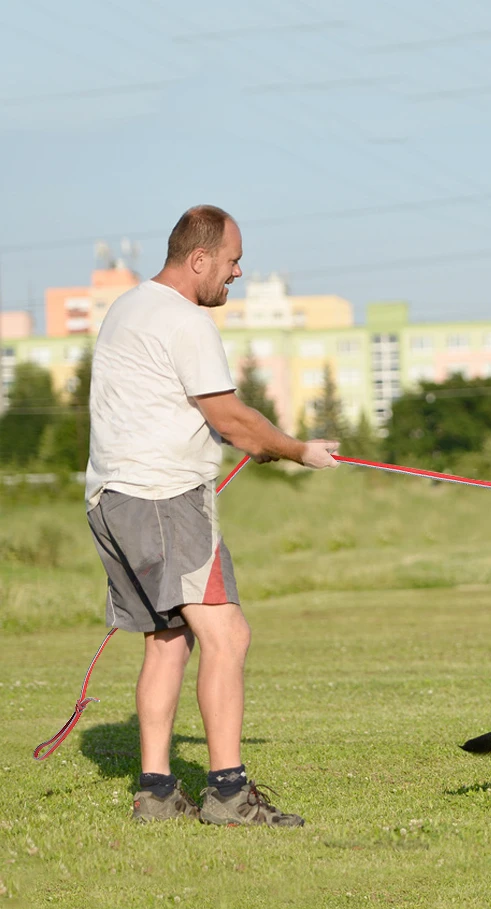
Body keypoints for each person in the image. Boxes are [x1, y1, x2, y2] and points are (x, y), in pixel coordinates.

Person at [86, 205, 338, 827]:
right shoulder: (185, 321)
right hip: (165, 501)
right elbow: (229, 418)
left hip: (112, 499)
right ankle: (227, 793)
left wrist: (241, 441)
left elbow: (169, 409)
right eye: (231, 261)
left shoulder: (128, 307)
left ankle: (155, 792)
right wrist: (299, 450)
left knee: (168, 639)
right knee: (228, 635)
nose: (238, 272)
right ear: (198, 260)